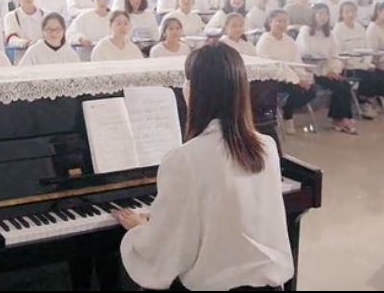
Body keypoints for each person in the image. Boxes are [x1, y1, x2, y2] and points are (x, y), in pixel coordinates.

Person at [114, 42, 294, 291]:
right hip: (269, 284)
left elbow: (169, 247)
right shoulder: (267, 146)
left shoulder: (185, 158)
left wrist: (140, 229)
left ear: (192, 91)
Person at [296, 4, 358, 134]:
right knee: (338, 86)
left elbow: (334, 54)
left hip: (327, 70)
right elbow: (305, 55)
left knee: (344, 83)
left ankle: (342, 118)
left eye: (325, 14)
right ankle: (340, 119)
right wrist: (324, 72)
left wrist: (333, 70)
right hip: (310, 71)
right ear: (314, 15)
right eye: (320, 13)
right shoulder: (305, 31)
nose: (323, 17)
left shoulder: (330, 33)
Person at [256, 10, 316, 135]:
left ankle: (287, 110)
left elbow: (296, 61)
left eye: (285, 21)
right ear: (270, 22)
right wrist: (295, 79)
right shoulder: (265, 41)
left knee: (310, 90)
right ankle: (288, 117)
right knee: (296, 89)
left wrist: (301, 77)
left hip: (292, 76)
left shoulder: (289, 41)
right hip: (273, 78)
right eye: (278, 21)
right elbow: (270, 65)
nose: (282, 24)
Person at [333, 1, 384, 119]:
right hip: (348, 66)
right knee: (368, 76)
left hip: (363, 64)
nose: (350, 14)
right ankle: (363, 103)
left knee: (382, 75)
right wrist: (358, 64)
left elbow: (368, 49)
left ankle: (375, 100)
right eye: (347, 11)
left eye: (352, 11)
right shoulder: (338, 30)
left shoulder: (360, 28)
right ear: (342, 13)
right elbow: (339, 53)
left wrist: (366, 62)